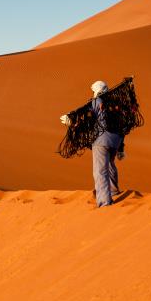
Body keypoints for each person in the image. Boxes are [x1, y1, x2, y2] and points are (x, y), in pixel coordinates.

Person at [60, 80, 125, 208]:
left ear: (97, 90)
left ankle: (104, 202)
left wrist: (71, 120)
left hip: (101, 141)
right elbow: (123, 125)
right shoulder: (115, 103)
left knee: (100, 171)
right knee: (110, 164)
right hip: (115, 141)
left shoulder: (97, 102)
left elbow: (86, 116)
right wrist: (121, 148)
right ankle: (114, 190)